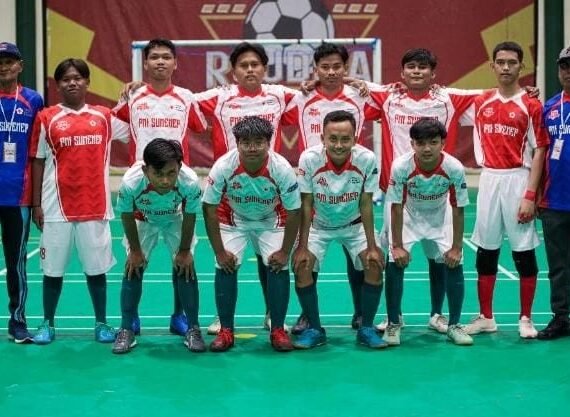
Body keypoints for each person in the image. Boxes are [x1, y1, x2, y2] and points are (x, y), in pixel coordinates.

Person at [368, 48, 482, 333]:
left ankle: (437, 315)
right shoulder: (388, 97)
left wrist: (525, 92)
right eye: (411, 67)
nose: (417, 71)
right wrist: (318, 82)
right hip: (399, 197)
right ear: (402, 72)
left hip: (437, 196)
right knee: (394, 257)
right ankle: (394, 318)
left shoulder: (448, 98)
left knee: (440, 259)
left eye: (423, 67)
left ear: (433, 73)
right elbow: (348, 88)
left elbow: (489, 95)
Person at [283, 42, 383, 333]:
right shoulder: (302, 98)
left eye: (337, 67)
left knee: (360, 258)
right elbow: (272, 110)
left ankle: (362, 314)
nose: (330, 72)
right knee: (305, 262)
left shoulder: (359, 96)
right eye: (324, 67)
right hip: (315, 186)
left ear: (346, 68)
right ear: (315, 69)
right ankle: (308, 316)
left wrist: (360, 83)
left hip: (350, 185)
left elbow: (392, 101)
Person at [29, 58, 129, 344]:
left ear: (87, 83)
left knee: (96, 271)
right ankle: (47, 324)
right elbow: (37, 161)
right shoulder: (46, 118)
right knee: (52, 272)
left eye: (77, 78)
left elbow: (135, 126)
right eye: (65, 79)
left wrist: (133, 93)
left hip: (95, 208)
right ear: (57, 85)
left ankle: (101, 324)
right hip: (55, 209)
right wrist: (36, 204)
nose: (72, 83)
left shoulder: (104, 116)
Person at [114, 38, 207, 337]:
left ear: (175, 63)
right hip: (144, 188)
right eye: (154, 57)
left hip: (175, 188)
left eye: (166, 57)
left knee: (183, 261)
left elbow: (201, 125)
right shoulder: (132, 97)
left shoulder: (186, 98)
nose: (160, 62)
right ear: (145, 63)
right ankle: (130, 322)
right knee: (135, 262)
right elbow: (112, 122)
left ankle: (180, 317)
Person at [464, 41, 549, 339]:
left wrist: (530, 195)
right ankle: (486, 317)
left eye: (512, 62)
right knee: (485, 251)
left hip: (518, 179)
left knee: (523, 252)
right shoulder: (481, 101)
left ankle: (526, 318)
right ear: (492, 66)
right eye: (500, 62)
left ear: (521, 66)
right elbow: (444, 98)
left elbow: (540, 150)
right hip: (489, 180)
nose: (506, 67)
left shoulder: (532, 105)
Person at [202, 116, 300, 352]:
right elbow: (209, 208)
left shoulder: (281, 169)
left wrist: (285, 252)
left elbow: (294, 211)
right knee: (225, 264)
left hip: (271, 218)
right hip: (233, 217)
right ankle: (226, 330)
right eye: (246, 142)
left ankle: (277, 329)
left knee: (277, 264)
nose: (252, 148)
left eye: (258, 142)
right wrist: (219, 252)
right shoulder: (224, 166)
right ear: (237, 143)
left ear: (269, 143)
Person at [292, 110, 386, 349]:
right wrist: (301, 247)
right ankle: (315, 329)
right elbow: (306, 203)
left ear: (355, 139)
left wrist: (372, 246)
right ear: (322, 138)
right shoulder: (309, 159)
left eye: (345, 139)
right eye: (332, 138)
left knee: (375, 263)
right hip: (319, 226)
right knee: (302, 266)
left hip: (354, 226)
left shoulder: (366, 159)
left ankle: (366, 328)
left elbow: (366, 202)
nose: (339, 145)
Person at [382, 118, 472, 346]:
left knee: (453, 262)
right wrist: (397, 246)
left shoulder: (454, 168)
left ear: (443, 143)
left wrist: (457, 247)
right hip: (409, 215)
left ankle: (452, 324)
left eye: (433, 142)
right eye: (420, 143)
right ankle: (394, 322)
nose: (427, 148)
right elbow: (396, 206)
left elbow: (458, 208)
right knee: (394, 261)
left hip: (441, 216)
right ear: (412, 144)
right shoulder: (401, 166)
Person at [112, 138, 204, 354]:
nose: (165, 180)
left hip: (175, 218)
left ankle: (193, 328)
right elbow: (126, 215)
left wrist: (184, 251)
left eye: (171, 173)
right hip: (143, 218)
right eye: (158, 174)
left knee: (186, 266)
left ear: (179, 167)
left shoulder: (190, 182)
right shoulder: (131, 182)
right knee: (133, 267)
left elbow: (190, 215)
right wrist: (135, 251)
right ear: (146, 170)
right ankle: (127, 328)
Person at [0, 42, 43, 343]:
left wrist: (38, 201)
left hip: (19, 195)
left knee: (16, 263)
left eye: (9, 61)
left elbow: (39, 151)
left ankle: (17, 320)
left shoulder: (33, 100)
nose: (4, 67)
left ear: (20, 66)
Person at [536, 46, 570, 340]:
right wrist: (534, 194)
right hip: (554, 201)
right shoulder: (549, 107)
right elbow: (540, 153)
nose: (568, 72)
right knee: (558, 267)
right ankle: (561, 317)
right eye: (564, 66)